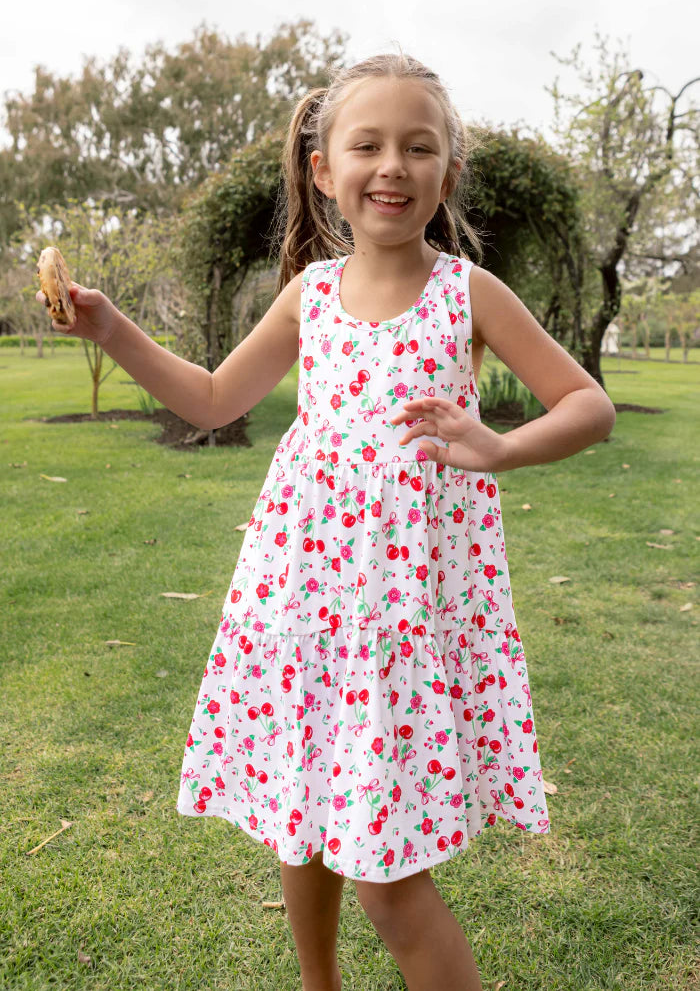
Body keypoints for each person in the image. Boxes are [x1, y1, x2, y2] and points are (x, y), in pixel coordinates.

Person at [38, 52, 616, 991]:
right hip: (305, 609)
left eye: (418, 148)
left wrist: (499, 447)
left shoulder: (467, 294)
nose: (392, 166)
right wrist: (112, 330)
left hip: (402, 625)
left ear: (448, 175)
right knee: (300, 819)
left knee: (389, 882)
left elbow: (589, 406)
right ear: (323, 169)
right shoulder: (310, 295)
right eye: (368, 145)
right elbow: (215, 397)